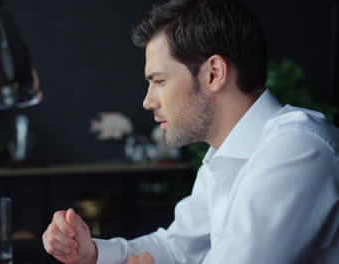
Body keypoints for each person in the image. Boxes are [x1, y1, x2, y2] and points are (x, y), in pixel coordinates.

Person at [42, 0, 339, 263]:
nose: (148, 101)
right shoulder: (222, 155)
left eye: (159, 81)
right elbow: (178, 248)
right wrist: (93, 253)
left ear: (213, 74)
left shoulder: (298, 149)